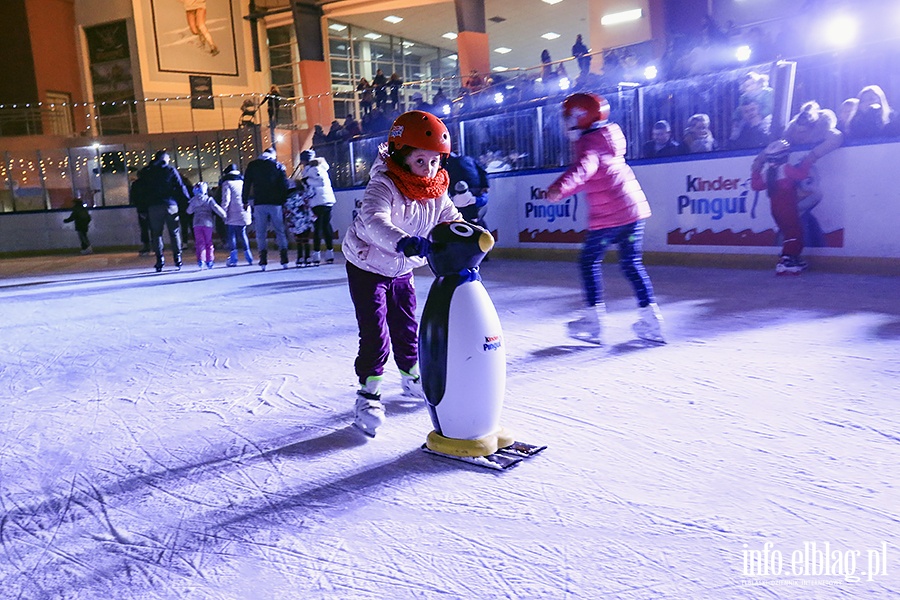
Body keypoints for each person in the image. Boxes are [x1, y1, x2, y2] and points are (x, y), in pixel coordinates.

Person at [341, 110, 463, 435]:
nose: (428, 169)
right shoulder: (384, 184)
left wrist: (468, 233)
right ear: (401, 156)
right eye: (420, 161)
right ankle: (369, 393)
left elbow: (450, 217)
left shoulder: (436, 189)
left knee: (407, 326)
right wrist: (404, 242)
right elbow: (374, 220)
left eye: (434, 161)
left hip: (402, 269)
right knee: (375, 331)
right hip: (367, 265)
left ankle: (411, 378)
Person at [545, 93, 665, 346]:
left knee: (588, 261)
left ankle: (593, 320)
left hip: (610, 218)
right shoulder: (605, 138)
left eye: (567, 117)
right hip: (632, 214)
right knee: (631, 264)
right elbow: (592, 177)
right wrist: (566, 190)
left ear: (580, 117)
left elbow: (583, 170)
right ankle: (651, 318)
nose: (564, 123)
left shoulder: (589, 145)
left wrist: (559, 187)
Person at [750, 139, 813, 275]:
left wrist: (755, 170)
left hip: (776, 210)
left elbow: (755, 186)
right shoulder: (786, 168)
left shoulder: (768, 173)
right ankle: (786, 260)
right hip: (788, 209)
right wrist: (807, 161)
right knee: (795, 234)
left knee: (790, 233)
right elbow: (802, 175)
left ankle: (793, 258)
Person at [139, 150, 190, 272]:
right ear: (165, 159)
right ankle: (177, 258)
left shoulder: (147, 172)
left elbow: (142, 191)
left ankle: (159, 260)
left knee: (156, 235)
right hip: (170, 205)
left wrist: (142, 208)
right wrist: (187, 202)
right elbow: (180, 186)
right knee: (174, 232)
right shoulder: (170, 170)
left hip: (154, 206)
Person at [242, 146, 290, 270]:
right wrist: (283, 201)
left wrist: (244, 200)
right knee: (280, 230)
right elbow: (284, 185)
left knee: (261, 232)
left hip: (260, 203)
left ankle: (263, 260)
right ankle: (284, 258)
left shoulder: (253, 165)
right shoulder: (278, 166)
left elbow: (247, 183)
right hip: (276, 204)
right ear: (273, 155)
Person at [298, 149, 336, 265]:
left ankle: (316, 254)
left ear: (305, 160)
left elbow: (320, 181)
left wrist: (306, 181)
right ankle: (330, 253)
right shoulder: (321, 167)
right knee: (326, 226)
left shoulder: (313, 169)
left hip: (318, 201)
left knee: (318, 227)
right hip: (327, 200)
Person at [218, 163, 253, 267]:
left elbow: (226, 200)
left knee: (231, 234)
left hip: (232, 213)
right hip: (244, 210)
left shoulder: (227, 183)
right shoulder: (242, 181)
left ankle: (233, 258)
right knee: (242, 234)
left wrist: (223, 212)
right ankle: (249, 256)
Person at [186, 181, 227, 269]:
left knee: (199, 242)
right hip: (208, 223)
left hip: (196, 223)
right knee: (208, 242)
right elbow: (216, 208)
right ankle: (210, 260)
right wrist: (224, 215)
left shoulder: (193, 200)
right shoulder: (209, 199)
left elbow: (189, 211)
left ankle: (201, 260)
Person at [444, 151, 489, 228]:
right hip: (476, 190)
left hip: (458, 194)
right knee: (477, 221)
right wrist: (485, 187)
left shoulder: (447, 164)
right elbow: (483, 172)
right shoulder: (468, 159)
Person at [129, 171, 152, 255]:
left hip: (142, 209)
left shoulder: (136, 184)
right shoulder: (150, 184)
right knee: (153, 228)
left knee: (144, 228)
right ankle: (157, 245)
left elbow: (133, 197)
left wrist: (136, 205)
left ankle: (146, 246)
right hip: (151, 208)